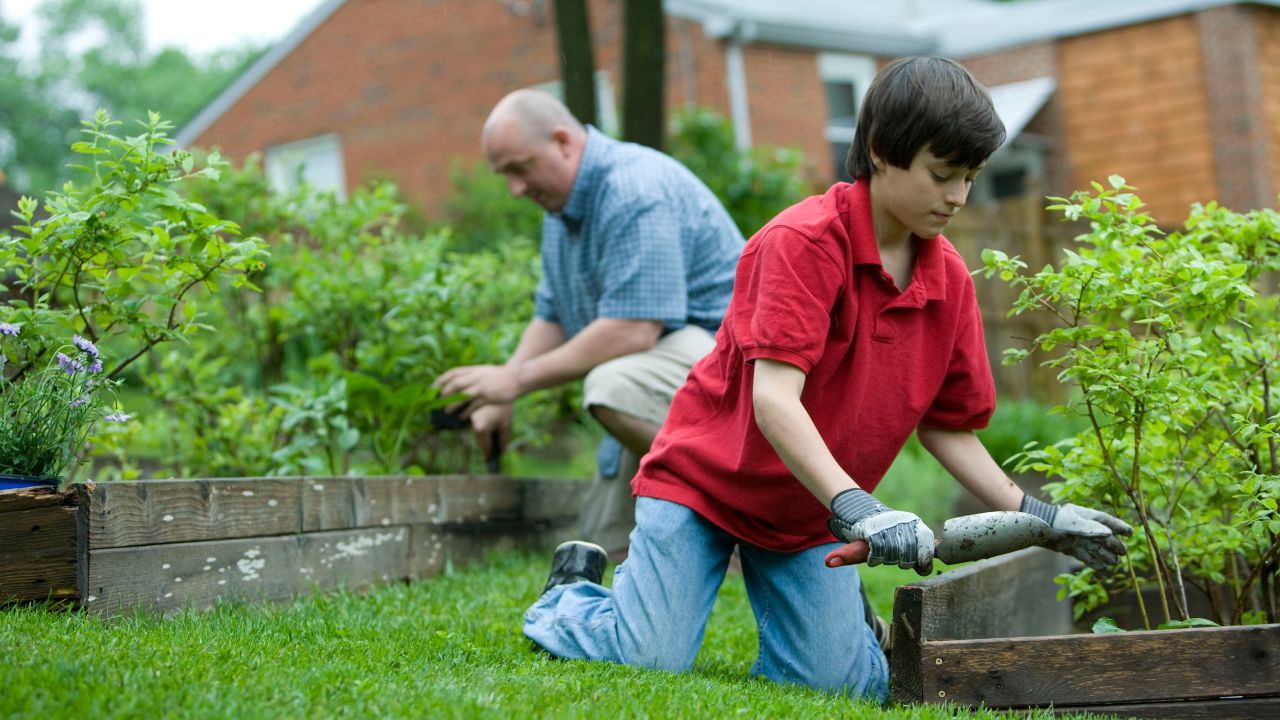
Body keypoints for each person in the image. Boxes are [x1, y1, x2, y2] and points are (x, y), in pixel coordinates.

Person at [521, 57, 1133, 702]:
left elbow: (948, 430)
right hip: (704, 487)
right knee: (647, 657)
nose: (958, 197)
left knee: (837, 686)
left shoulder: (948, 280)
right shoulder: (802, 244)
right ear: (880, 152)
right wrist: (862, 508)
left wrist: (1044, 517)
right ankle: (572, 595)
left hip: (808, 513)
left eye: (970, 178)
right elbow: (774, 400)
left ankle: (844, 631)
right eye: (942, 174)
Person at [434, 89, 745, 559]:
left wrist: (515, 381)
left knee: (612, 385)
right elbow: (553, 314)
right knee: (599, 546)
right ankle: (702, 522)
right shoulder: (561, 211)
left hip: (735, 377)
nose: (515, 190)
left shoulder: (632, 189)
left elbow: (633, 329)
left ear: (562, 141)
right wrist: (498, 392)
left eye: (519, 168)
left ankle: (742, 509)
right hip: (667, 380)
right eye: (505, 176)